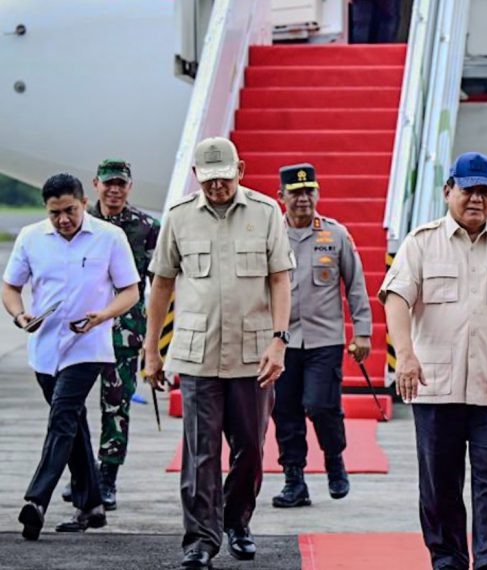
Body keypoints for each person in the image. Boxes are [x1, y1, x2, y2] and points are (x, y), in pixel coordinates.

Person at [380, 152, 487, 570]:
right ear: (448, 192)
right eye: (467, 190)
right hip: (435, 386)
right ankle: (448, 561)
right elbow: (397, 299)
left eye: (484, 192)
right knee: (440, 484)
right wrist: (404, 355)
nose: (476, 199)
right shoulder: (421, 242)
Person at [142, 137, 294, 569]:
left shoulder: (265, 214)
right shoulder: (179, 218)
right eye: (208, 181)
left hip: (253, 355)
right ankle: (201, 541)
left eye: (224, 179)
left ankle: (236, 521)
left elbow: (280, 280)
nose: (216, 187)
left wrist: (279, 339)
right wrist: (152, 351)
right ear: (196, 177)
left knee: (250, 448)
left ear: (240, 170)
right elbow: (162, 286)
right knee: (200, 452)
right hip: (197, 354)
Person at [3, 173, 140, 540]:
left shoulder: (110, 237)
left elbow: (130, 291)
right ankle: (92, 503)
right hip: (45, 348)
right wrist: (19, 315)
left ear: (83, 202)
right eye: (55, 213)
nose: (63, 219)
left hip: (89, 344)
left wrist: (104, 315)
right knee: (73, 424)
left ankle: (37, 501)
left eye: (70, 210)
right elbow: (11, 285)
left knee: (62, 416)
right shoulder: (31, 238)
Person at [271, 163, 372, 508]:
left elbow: (355, 285)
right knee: (284, 411)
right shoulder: (271, 236)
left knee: (320, 405)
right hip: (280, 341)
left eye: (308, 191)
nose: (303, 198)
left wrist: (362, 333)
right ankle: (294, 479)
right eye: (295, 192)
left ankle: (334, 460)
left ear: (317, 193)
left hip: (324, 339)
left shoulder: (335, 234)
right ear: (280, 196)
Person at [76, 159, 159, 511]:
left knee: (116, 403)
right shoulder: (79, 222)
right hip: (82, 327)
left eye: (120, 184)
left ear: (129, 186)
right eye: (108, 183)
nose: (114, 190)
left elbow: (160, 280)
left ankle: (107, 477)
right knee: (71, 404)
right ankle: (80, 473)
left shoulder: (145, 227)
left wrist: (159, 338)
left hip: (125, 331)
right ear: (96, 184)